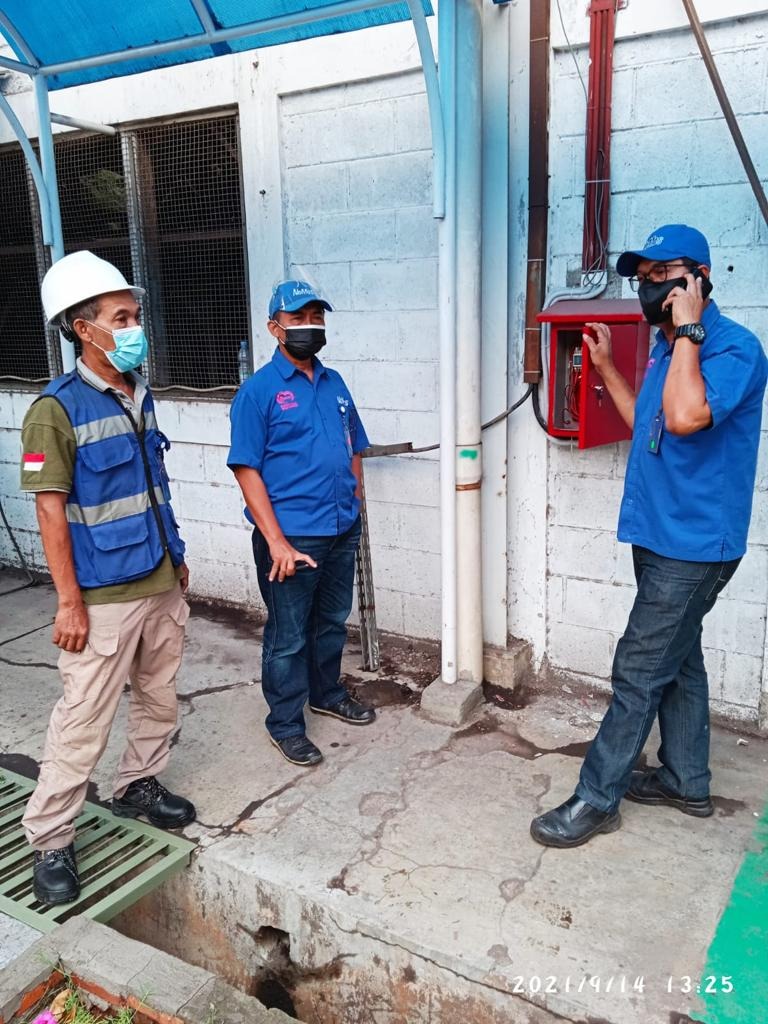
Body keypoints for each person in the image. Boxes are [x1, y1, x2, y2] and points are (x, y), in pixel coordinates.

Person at [531, 224, 768, 848]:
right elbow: (649, 424)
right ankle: (686, 781)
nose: (650, 286)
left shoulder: (734, 349)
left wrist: (688, 331)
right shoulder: (668, 349)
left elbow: (687, 417)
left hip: (696, 546)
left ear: (700, 278)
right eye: (644, 276)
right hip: (658, 535)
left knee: (638, 668)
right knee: (678, 660)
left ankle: (596, 798)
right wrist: (607, 367)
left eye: (664, 273)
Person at [20, 251, 196, 906]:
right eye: (121, 318)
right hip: (102, 595)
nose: (134, 327)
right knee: (83, 719)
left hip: (159, 579)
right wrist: (68, 602)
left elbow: (153, 486)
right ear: (82, 328)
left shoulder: (138, 391)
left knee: (158, 696)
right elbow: (49, 512)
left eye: (134, 315)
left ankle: (137, 785)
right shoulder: (52, 411)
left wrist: (176, 556)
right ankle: (50, 837)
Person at [228, 279, 375, 767]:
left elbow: (354, 443)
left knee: (331, 621)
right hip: (292, 538)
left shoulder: (335, 383)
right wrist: (275, 541)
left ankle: (326, 693)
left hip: (340, 527)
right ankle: (286, 723)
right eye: (298, 318)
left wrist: (354, 496)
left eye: (316, 316)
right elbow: (246, 469)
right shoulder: (258, 392)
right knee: (288, 636)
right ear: (275, 327)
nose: (310, 326)